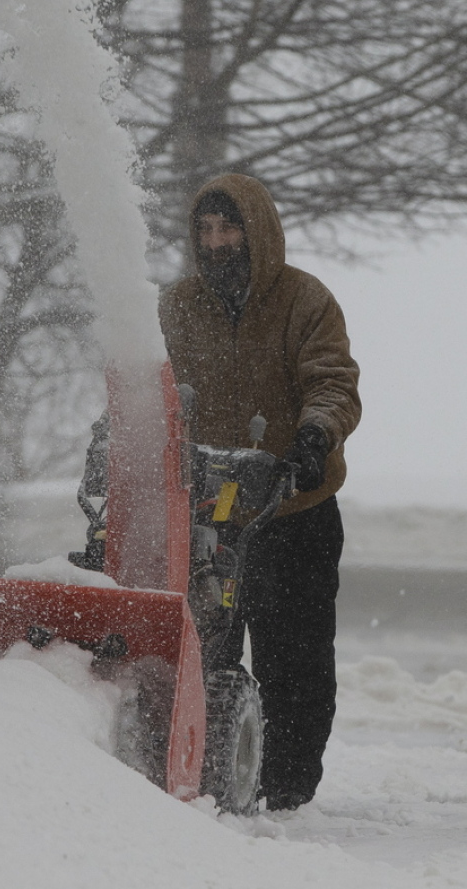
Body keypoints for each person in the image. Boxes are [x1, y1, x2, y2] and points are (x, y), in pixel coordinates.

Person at [158, 174, 361, 812]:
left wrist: (313, 437)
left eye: (230, 228)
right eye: (207, 231)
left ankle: (284, 788)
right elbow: (154, 385)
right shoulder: (177, 305)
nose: (218, 242)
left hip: (291, 506)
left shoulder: (305, 300)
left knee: (292, 657)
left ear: (258, 230)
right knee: (203, 644)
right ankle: (200, 770)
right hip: (208, 506)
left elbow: (333, 381)